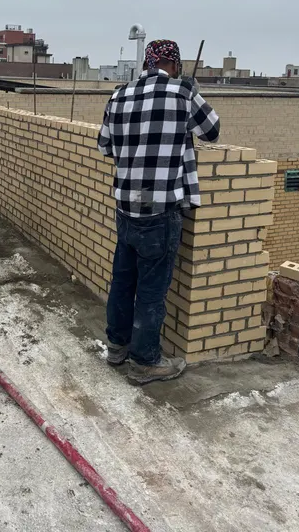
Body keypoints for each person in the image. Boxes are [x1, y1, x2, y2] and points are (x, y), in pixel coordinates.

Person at [98, 39, 220, 386]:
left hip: (126, 207)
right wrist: (193, 93)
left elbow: (105, 146)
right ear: (175, 65)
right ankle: (145, 362)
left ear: (146, 64)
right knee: (151, 291)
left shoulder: (119, 95)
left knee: (123, 282)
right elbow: (212, 132)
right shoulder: (182, 92)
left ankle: (117, 348)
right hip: (160, 209)